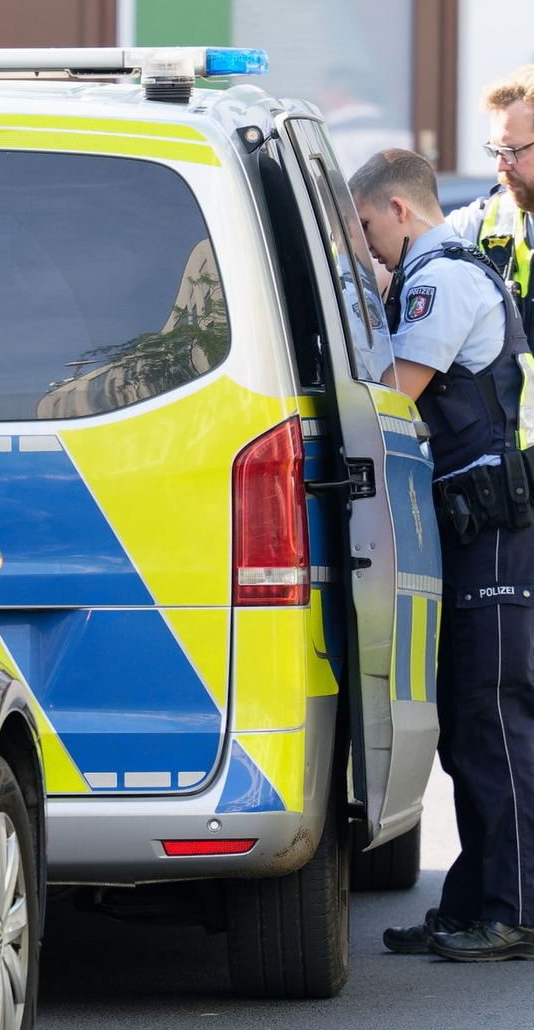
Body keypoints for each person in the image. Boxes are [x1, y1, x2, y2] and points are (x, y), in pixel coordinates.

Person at [351, 148, 534, 962]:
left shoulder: (441, 276)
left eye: (364, 227)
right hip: (473, 529)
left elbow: (392, 392)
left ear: (397, 208)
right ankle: (472, 898)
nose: (366, 247)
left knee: (493, 717)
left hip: (497, 528)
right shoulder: (435, 269)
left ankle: (514, 909)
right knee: (468, 724)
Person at [445, 66, 534, 346]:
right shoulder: (485, 221)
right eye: (495, 151)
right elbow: (403, 249)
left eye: (512, 151)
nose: (500, 165)